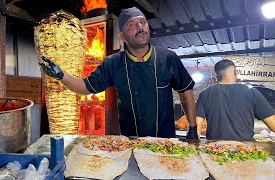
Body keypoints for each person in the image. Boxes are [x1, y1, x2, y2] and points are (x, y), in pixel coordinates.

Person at [39, 7, 198, 139]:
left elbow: (184, 90)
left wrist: (192, 127)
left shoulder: (168, 57)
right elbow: (85, 87)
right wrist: (62, 76)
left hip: (164, 143)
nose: (140, 27)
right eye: (132, 25)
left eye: (143, 22)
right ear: (121, 36)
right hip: (129, 142)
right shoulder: (113, 63)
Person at [196, 59, 275, 140]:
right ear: (235, 72)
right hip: (244, 149)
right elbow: (273, 124)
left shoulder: (205, 94)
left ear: (217, 77)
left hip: (215, 148)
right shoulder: (252, 92)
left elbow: (195, 128)